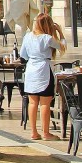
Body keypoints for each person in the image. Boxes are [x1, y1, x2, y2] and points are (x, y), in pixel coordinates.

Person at [20, 12, 66, 140]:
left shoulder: (27, 36)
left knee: (32, 101)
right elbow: (63, 47)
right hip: (43, 69)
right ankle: (46, 132)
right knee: (45, 102)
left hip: (31, 69)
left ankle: (34, 132)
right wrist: (60, 33)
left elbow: (23, 54)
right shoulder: (47, 38)